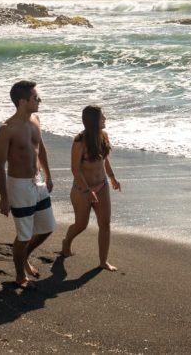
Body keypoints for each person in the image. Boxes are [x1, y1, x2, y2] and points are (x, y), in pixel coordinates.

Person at [0, 80, 54, 288]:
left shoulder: (36, 119)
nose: (39, 100)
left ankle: (24, 257)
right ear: (22, 101)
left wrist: (48, 175)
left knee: (47, 228)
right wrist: (4, 197)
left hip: (37, 182)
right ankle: (20, 274)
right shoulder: (7, 129)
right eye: (35, 98)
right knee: (24, 234)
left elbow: (41, 149)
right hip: (18, 186)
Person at [61, 105, 121, 271]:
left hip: (102, 186)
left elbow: (104, 159)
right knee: (81, 225)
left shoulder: (103, 136)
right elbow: (75, 169)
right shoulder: (79, 141)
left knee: (105, 223)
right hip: (82, 188)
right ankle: (66, 242)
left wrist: (112, 177)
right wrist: (87, 191)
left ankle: (103, 261)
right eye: (102, 116)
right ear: (94, 120)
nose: (105, 118)